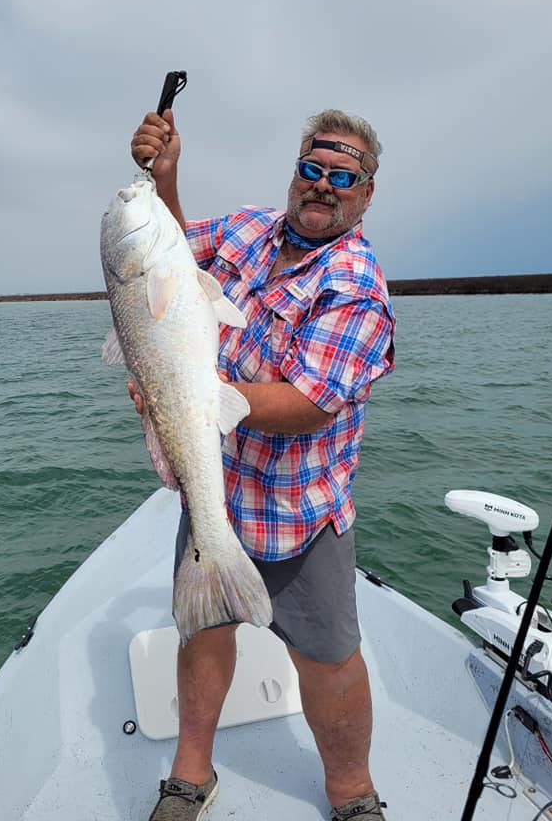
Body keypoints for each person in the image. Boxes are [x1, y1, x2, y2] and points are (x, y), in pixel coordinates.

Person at [129, 106, 395, 821]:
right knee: (203, 631)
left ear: (367, 194)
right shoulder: (249, 228)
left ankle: (350, 793)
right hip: (213, 489)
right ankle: (192, 773)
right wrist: (165, 176)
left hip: (300, 514)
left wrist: (177, 389)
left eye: (344, 176)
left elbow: (309, 401)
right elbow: (167, 258)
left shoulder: (356, 284)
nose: (323, 186)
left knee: (329, 660)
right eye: (312, 169)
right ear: (295, 173)